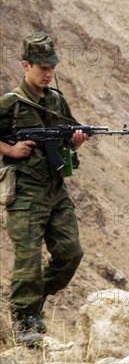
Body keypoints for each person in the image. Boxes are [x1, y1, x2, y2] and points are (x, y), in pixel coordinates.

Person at [0, 31, 88, 346]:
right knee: (28, 259)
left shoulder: (56, 99)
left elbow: (69, 131)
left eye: (52, 66)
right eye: (41, 67)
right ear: (25, 65)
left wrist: (75, 140)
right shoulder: (9, 104)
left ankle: (33, 301)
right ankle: (23, 320)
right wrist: (9, 150)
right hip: (24, 193)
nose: (48, 73)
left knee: (70, 253)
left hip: (55, 191)